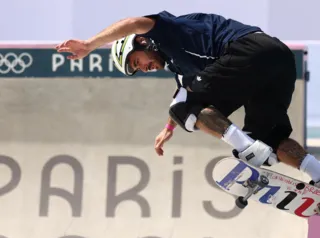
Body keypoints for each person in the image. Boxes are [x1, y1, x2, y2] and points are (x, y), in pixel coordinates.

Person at [55, 10, 320, 186]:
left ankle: (249, 150)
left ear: (142, 43)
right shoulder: (181, 67)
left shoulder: (165, 31)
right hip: (279, 60)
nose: (145, 68)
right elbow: (184, 93)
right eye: (138, 70)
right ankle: (316, 174)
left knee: (185, 108)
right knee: (271, 138)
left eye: (138, 62)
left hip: (249, 49)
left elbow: (134, 23)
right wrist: (169, 128)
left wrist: (90, 44)